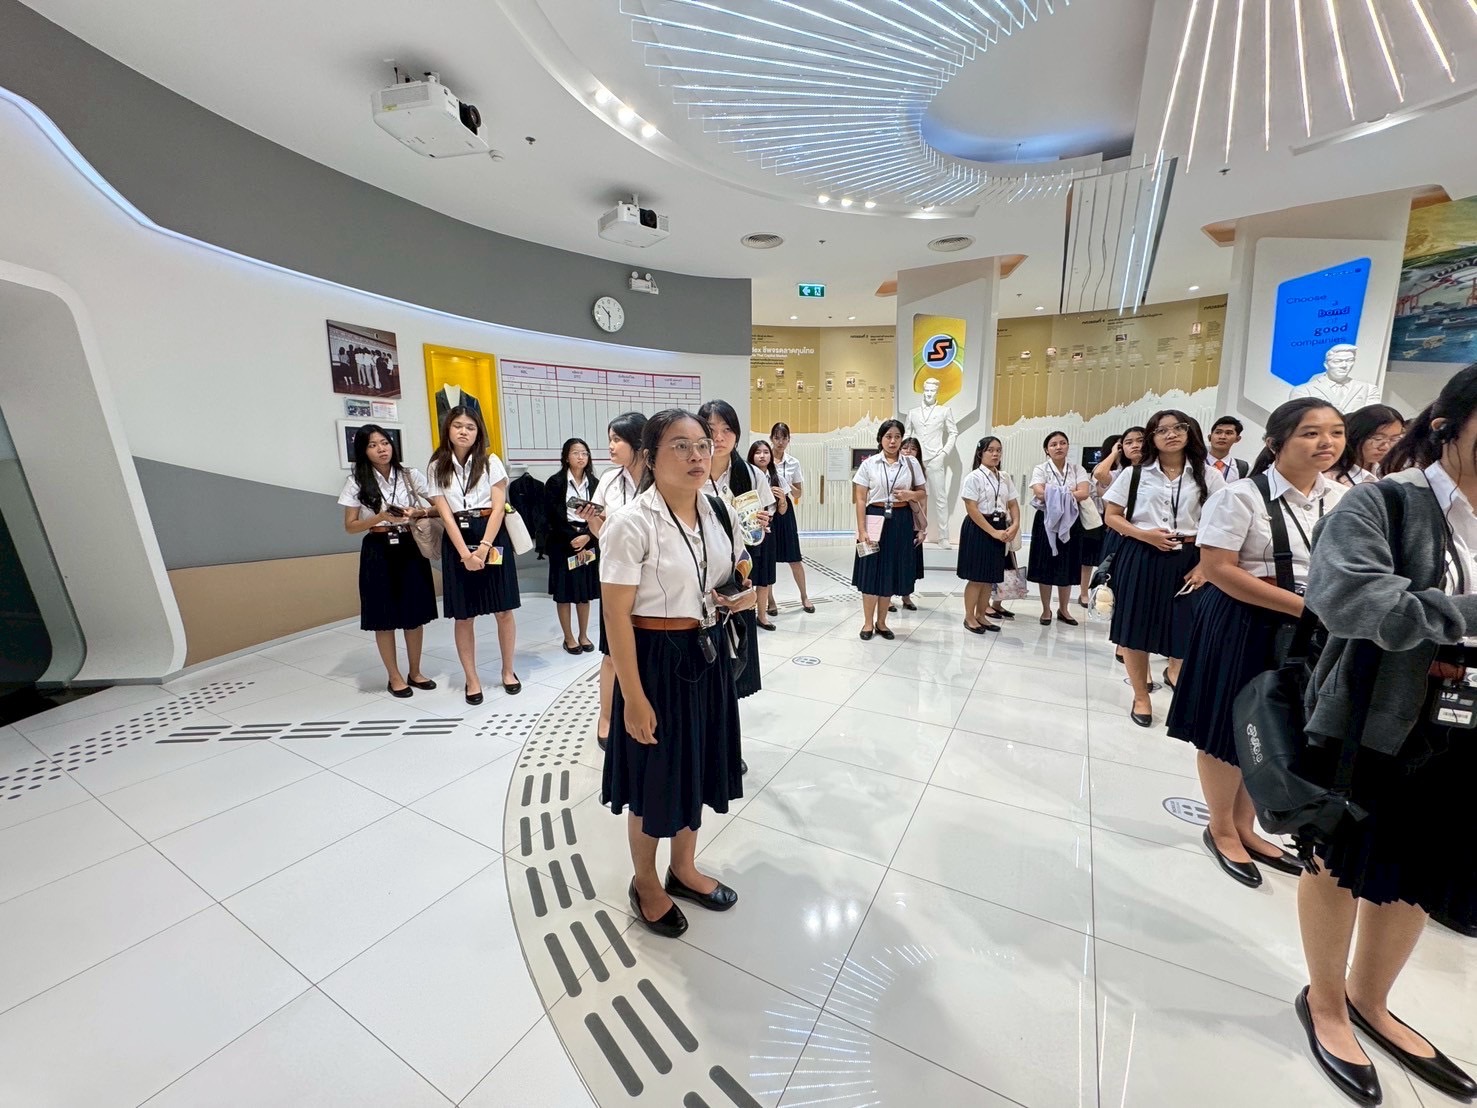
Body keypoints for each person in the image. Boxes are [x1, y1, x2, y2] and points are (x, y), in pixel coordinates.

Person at [1292, 364, 1477, 1106]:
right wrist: (1466, 616)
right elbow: (1349, 599)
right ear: (1449, 424)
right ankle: (1325, 1002)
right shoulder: (1385, 503)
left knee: (1420, 868)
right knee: (1339, 860)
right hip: (1371, 719)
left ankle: (1371, 1000)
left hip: (1465, 727)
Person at [1166, 399, 1346, 887]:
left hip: (1312, 627)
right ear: (1276, 442)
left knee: (1276, 726)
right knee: (1229, 726)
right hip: (1244, 620)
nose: (1326, 442)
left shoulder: (1344, 497)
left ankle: (1248, 826)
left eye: (1336, 432)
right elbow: (1219, 569)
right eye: (1310, 432)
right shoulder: (1239, 496)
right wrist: (1305, 609)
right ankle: (1221, 828)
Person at [599, 409, 752, 938]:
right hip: (654, 661)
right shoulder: (631, 523)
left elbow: (734, 569)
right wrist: (633, 697)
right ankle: (645, 881)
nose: (696, 456)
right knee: (653, 777)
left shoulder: (716, 510)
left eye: (702, 445)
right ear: (650, 456)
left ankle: (683, 868)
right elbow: (615, 616)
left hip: (705, 653)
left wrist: (739, 592)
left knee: (696, 766)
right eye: (680, 446)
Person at [1103, 411, 1224, 726]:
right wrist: (1144, 535)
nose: (1171, 434)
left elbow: (1221, 524)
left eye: (1178, 428)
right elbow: (1112, 516)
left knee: (1186, 626)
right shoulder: (1136, 473)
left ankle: (1174, 670)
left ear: (1189, 432)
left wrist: (1205, 565)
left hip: (1190, 557)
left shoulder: (1209, 476)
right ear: (1152, 437)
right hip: (1141, 554)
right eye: (1162, 430)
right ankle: (1140, 696)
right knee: (1135, 627)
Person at [427, 405, 520, 704]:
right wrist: (464, 554)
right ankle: (472, 678)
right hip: (457, 537)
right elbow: (444, 514)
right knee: (464, 616)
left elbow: (499, 508)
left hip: (491, 534)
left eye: (470, 427)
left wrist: (483, 547)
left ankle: (508, 671)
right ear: (448, 429)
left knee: (503, 610)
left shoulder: (491, 462)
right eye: (458, 426)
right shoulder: (437, 465)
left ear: (479, 432)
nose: (464, 431)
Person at [338, 424, 440, 697]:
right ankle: (394, 676)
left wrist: (416, 512)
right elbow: (350, 526)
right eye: (373, 445)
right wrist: (380, 517)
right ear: (363, 451)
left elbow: (439, 506)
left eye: (385, 442)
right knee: (383, 616)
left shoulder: (409, 475)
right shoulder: (357, 481)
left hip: (410, 544)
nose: (381, 449)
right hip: (378, 548)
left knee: (414, 613)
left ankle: (415, 672)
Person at [579, 411, 647, 750]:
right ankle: (605, 717)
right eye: (610, 439)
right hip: (616, 575)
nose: (610, 446)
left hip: (651, 575)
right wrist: (592, 520)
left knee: (646, 648)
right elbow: (601, 533)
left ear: (637, 442)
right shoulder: (608, 480)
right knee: (611, 653)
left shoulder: (659, 477)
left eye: (617, 439)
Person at [698, 399, 773, 701]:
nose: (719, 437)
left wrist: (763, 521)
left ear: (737, 435)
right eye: (711, 429)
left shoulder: (752, 475)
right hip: (700, 566)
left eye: (726, 429)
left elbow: (762, 518)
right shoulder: (691, 471)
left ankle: (732, 697)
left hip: (741, 567)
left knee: (737, 637)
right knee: (705, 643)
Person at [852, 419, 925, 640]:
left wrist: (910, 495)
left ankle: (882, 623)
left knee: (890, 571)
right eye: (888, 436)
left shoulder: (911, 464)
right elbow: (860, 498)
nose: (893, 441)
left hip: (901, 520)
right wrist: (862, 529)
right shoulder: (869, 464)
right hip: (874, 517)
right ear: (881, 439)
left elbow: (922, 492)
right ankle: (867, 623)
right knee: (870, 570)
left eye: (897, 437)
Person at [1027, 431, 1091, 626]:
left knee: (1068, 565)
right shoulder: (1041, 468)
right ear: (1047, 449)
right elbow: (1039, 493)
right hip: (1046, 520)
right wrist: (1068, 492)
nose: (1059, 447)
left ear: (1068, 446)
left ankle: (1064, 609)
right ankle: (1046, 609)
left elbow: (1084, 492)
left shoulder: (1077, 469)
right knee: (1045, 565)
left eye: (1063, 443)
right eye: (1053, 444)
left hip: (1072, 521)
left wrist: (1054, 492)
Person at [957, 436, 1019, 634]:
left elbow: (1012, 503)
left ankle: (981, 615)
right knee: (976, 577)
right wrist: (993, 532)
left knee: (989, 577)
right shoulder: (973, 477)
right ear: (980, 453)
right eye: (990, 450)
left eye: (998, 450)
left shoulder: (1004, 477)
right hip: (979, 528)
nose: (995, 454)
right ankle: (969, 617)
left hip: (1000, 527)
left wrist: (1015, 525)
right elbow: (971, 508)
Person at [545, 437, 599, 655]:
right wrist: (572, 538)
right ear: (566, 457)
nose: (581, 457)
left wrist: (586, 537)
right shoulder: (555, 482)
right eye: (576, 453)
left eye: (584, 453)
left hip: (587, 540)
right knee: (564, 593)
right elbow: (551, 516)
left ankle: (583, 635)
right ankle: (568, 637)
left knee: (584, 592)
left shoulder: (594, 483)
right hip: (562, 542)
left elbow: (600, 514)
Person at [767, 422, 813, 614]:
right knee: (767, 558)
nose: (780, 442)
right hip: (767, 508)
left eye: (784, 438)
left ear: (788, 440)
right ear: (771, 439)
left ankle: (804, 596)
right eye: (776, 438)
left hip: (786, 509)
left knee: (794, 557)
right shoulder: (764, 458)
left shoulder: (793, 462)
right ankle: (770, 601)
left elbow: (798, 493)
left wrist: (786, 485)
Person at [746, 439, 785, 631]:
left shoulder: (777, 478)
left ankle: (762, 616)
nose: (762, 456)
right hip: (747, 532)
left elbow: (782, 511)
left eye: (766, 452)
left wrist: (782, 499)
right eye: (758, 452)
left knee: (764, 577)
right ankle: (746, 616)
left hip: (768, 530)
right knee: (747, 576)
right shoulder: (745, 475)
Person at [1289, 343, 1380, 412]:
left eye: (1349, 360)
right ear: (1326, 364)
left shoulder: (1369, 389)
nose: (1344, 365)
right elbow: (1299, 420)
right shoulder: (1303, 390)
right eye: (1337, 361)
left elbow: (1372, 420)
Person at [1331, 403, 1405, 486]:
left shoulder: (1389, 472)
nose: (1385, 447)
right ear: (1356, 435)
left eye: (1394, 439)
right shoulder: (1332, 477)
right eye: (1378, 438)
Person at [896, 436, 928, 611]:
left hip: (913, 520)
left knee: (909, 562)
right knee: (893, 560)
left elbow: (923, 502)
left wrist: (922, 528)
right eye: (905, 448)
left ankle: (906, 596)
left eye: (913, 449)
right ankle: (887, 597)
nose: (908, 451)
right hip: (896, 518)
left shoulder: (919, 472)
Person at [1207, 416, 1250, 482]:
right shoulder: (1195, 463)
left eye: (1228, 433)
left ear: (1237, 439)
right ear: (1209, 437)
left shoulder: (1243, 468)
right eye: (1218, 432)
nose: (1222, 437)